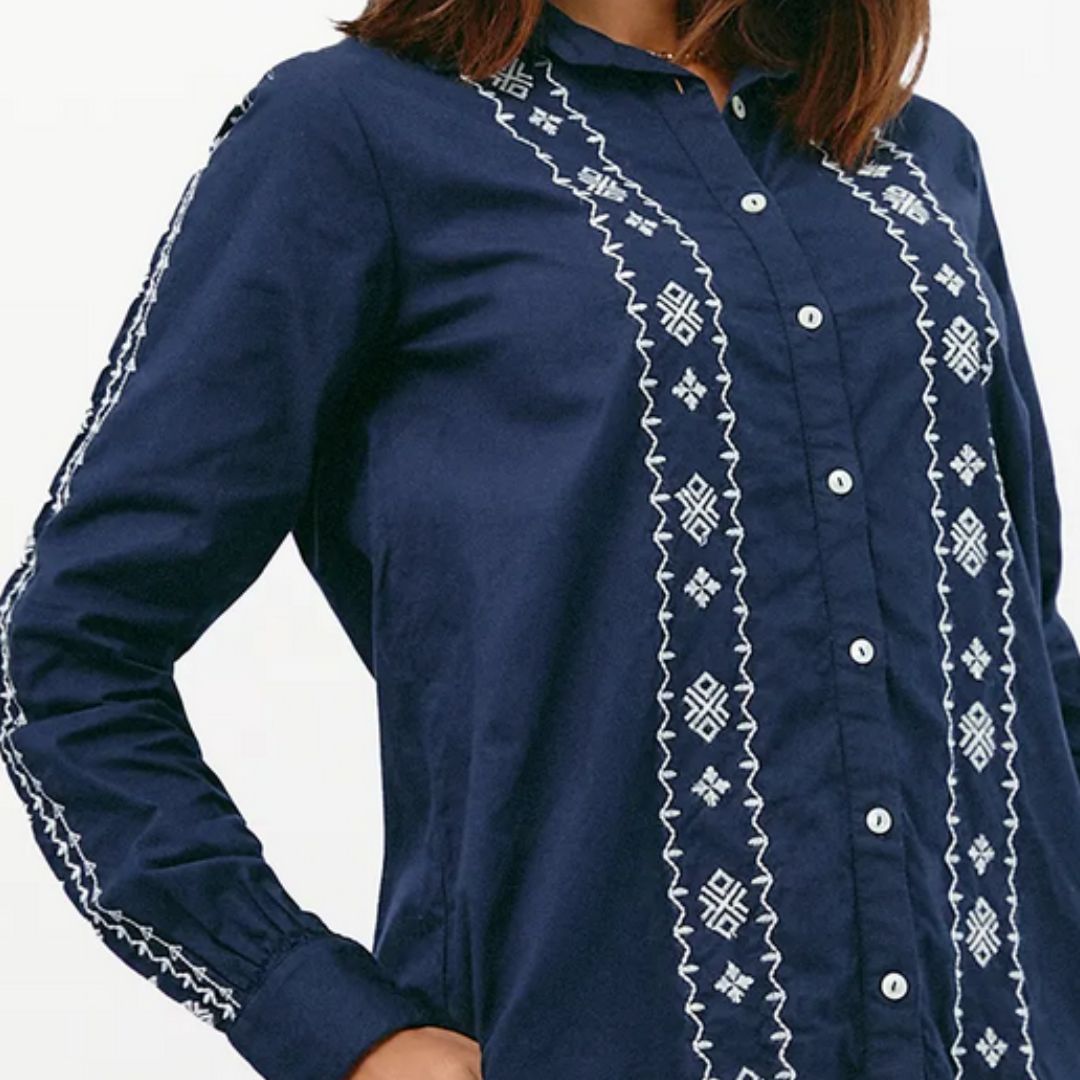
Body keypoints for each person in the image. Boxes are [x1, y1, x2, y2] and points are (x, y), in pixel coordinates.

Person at [2, 0, 1077, 1077]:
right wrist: (330, 1022)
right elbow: (65, 651)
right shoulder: (353, 132)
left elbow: (1020, 629)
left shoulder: (915, 155)